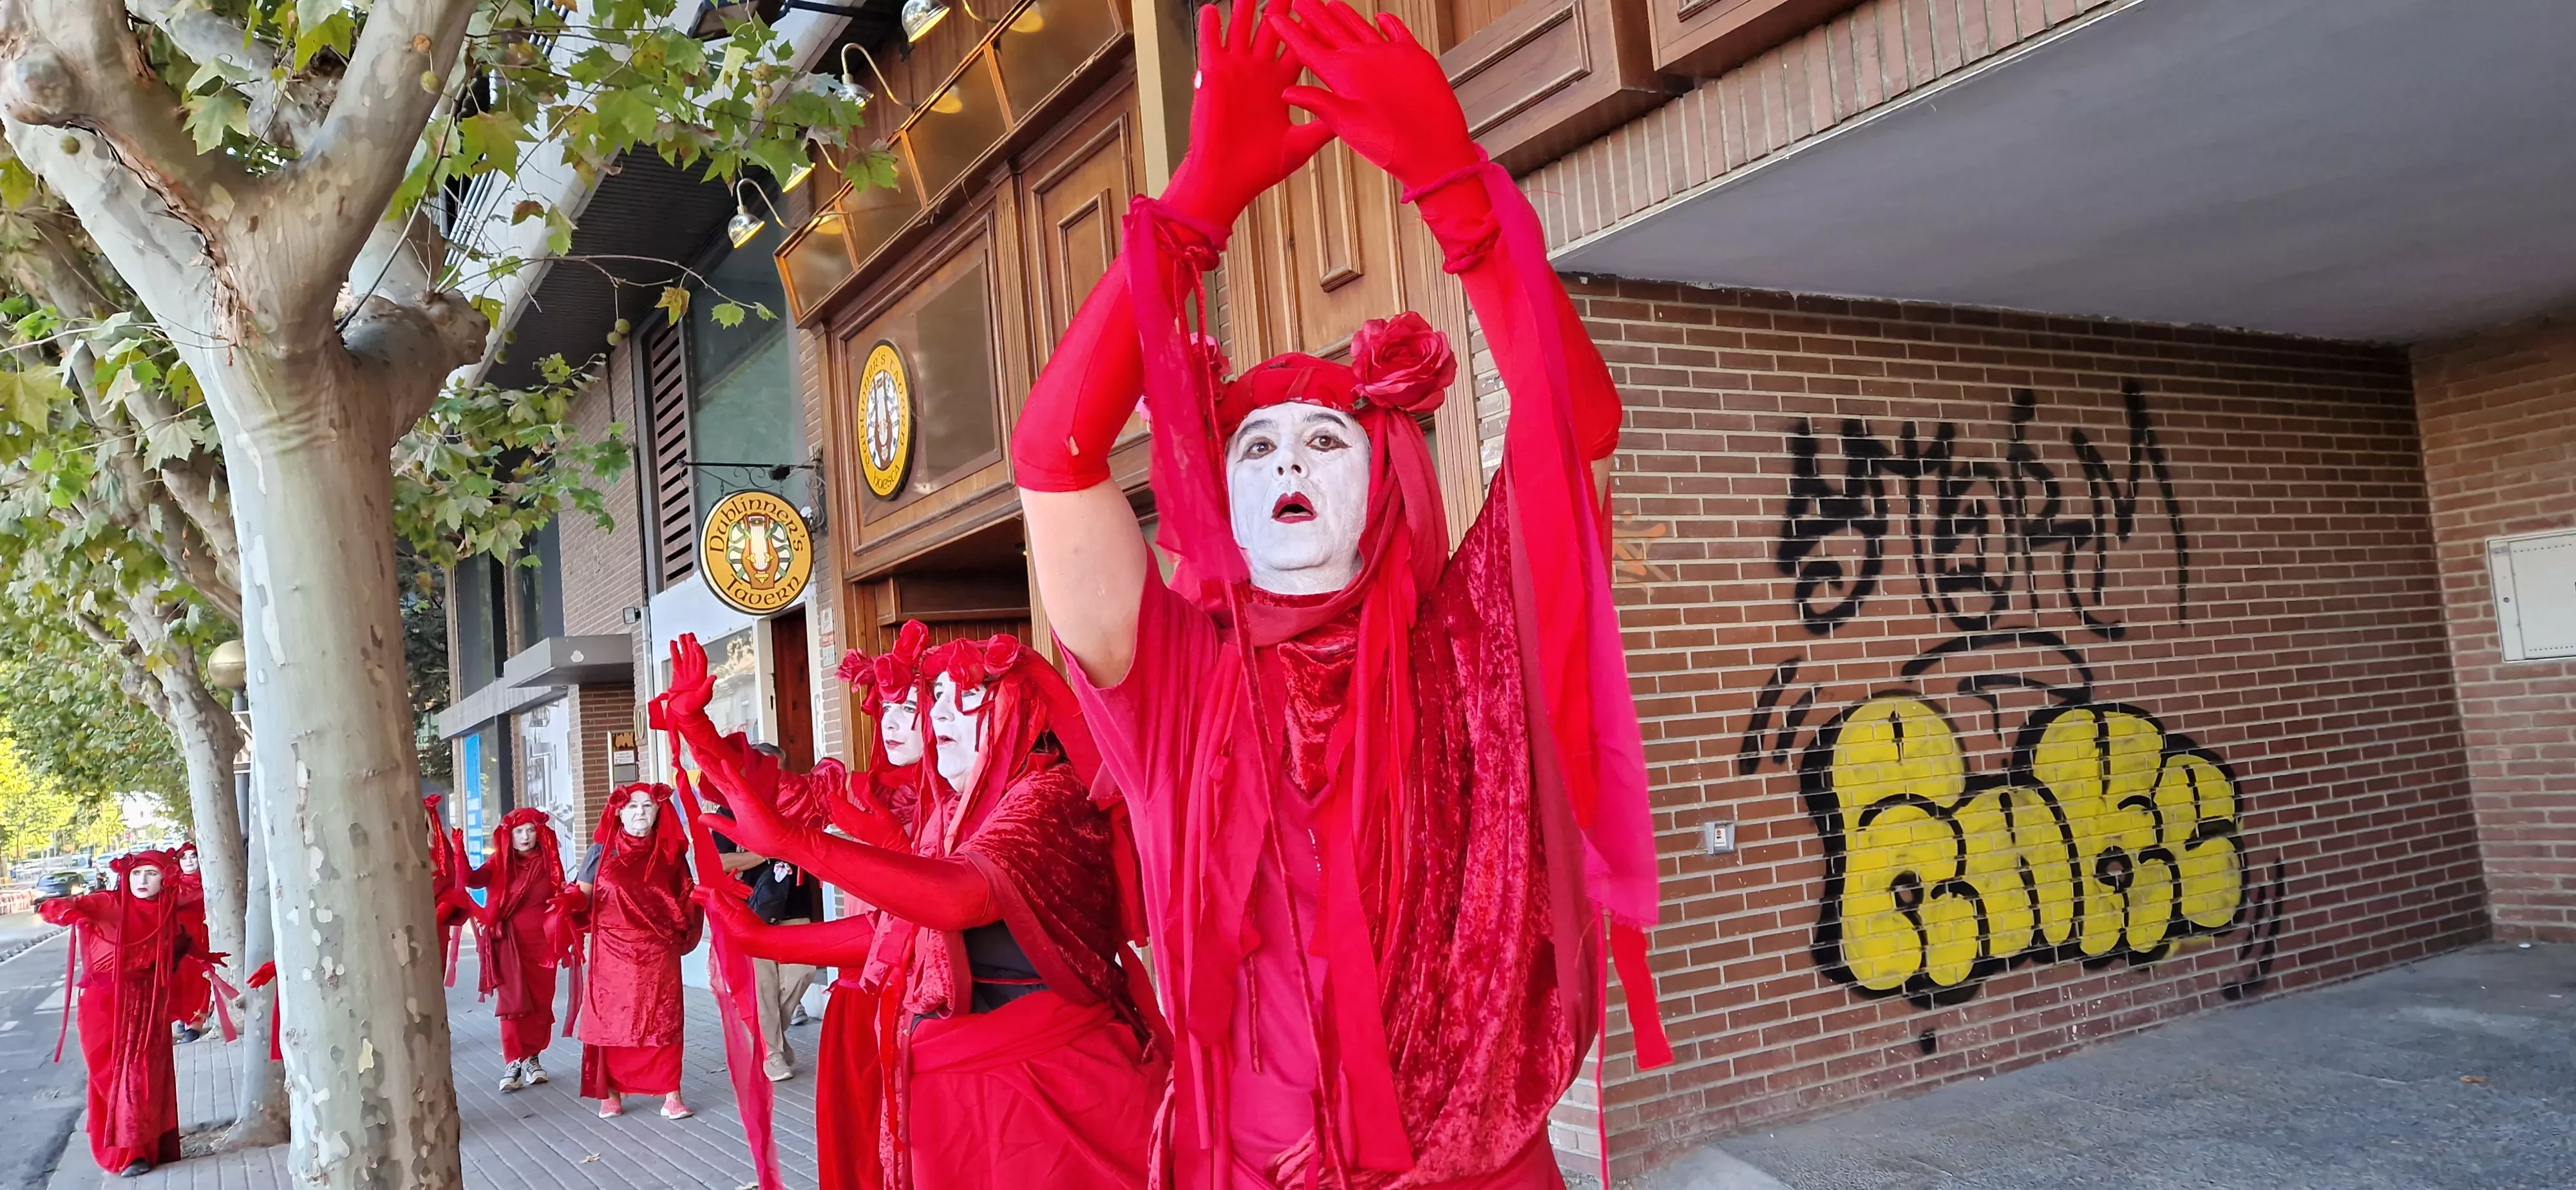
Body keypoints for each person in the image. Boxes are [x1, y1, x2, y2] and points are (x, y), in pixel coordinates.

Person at [1008, 2, 1667, 1185]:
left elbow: (1579, 433)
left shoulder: (1472, 636)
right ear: (1219, 495)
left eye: (1326, 439)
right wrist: (1198, 200)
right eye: (1255, 449)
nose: (1292, 465)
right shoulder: (1169, 673)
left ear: (1389, 480)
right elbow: (1054, 453)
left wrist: (1459, 195)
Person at [671, 630, 1162, 1190]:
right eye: (935, 699)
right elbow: (900, 934)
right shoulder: (946, 808)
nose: (937, 715)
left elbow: (957, 897)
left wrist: (793, 843)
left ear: (1021, 711)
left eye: (966, 697)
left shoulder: (1049, 795)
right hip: (949, 1091)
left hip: (1048, 1105)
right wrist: (765, 939)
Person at [664, 623, 931, 1190]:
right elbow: (756, 786)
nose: (896, 723)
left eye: (913, 706)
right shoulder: (856, 791)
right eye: (885, 710)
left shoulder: (999, 797)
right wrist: (693, 724)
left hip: (955, 1011)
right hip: (875, 1000)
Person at [40, 851, 202, 1177]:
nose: (142, 881)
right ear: (125, 876)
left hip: (149, 1005)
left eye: (151, 874)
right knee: (114, 1077)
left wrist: (205, 959)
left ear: (165, 877)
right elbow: (53, 908)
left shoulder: (168, 909)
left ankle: (143, 1151)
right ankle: (124, 1152)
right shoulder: (107, 903)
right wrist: (67, 911)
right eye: (137, 873)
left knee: (144, 1078)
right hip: (105, 1006)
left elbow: (178, 947)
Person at [559, 784, 701, 1120]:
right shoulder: (601, 851)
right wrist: (568, 901)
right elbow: (585, 897)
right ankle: (611, 1094)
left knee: (664, 1021)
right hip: (611, 952)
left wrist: (714, 896)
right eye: (633, 806)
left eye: (648, 806)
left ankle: (672, 1095)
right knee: (611, 1022)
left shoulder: (671, 854)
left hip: (657, 951)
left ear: (659, 813)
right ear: (619, 812)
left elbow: (686, 897)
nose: (640, 813)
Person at [710, 744, 826, 1082]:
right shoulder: (729, 811)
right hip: (750, 909)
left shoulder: (794, 807)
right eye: (766, 769)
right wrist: (766, 853)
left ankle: (769, 1038)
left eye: (779, 770)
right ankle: (773, 1054)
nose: (775, 778)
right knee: (762, 985)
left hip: (796, 904)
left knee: (802, 973)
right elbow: (720, 862)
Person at [466, 807, 565, 1091]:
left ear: (539, 833)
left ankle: (533, 1059)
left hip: (542, 944)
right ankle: (512, 1063)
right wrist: (457, 852)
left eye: (530, 830)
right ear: (509, 835)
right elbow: (472, 880)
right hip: (508, 942)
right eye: (519, 831)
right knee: (511, 1004)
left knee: (539, 1003)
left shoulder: (550, 862)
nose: (525, 837)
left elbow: (562, 894)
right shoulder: (499, 863)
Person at [167, 844, 211, 1044]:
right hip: (179, 939)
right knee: (180, 980)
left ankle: (195, 1023)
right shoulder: (173, 885)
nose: (190, 861)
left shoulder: (211, 880)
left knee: (200, 980)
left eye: (193, 856)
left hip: (202, 937)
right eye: (184, 858)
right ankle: (184, 1018)